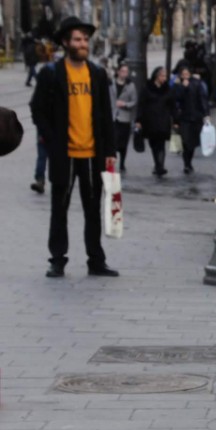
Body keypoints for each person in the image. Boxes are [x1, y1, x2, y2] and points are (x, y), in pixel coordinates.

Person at [29, 16, 118, 278]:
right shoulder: (52, 74)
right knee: (60, 209)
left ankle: (96, 260)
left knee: (93, 211)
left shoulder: (97, 74)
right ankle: (57, 259)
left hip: (93, 154)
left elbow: (105, 114)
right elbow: (37, 110)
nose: (83, 44)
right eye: (78, 39)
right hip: (64, 155)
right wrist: (52, 139)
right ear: (66, 42)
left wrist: (110, 153)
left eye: (85, 39)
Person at [135, 66, 174, 178]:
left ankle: (160, 166)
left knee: (161, 144)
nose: (164, 78)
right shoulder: (147, 88)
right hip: (150, 120)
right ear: (156, 77)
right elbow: (141, 105)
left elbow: (172, 105)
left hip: (163, 120)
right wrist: (139, 120)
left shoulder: (167, 89)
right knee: (153, 144)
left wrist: (176, 119)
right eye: (162, 76)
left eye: (165, 76)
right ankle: (157, 164)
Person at [171, 66, 209, 174]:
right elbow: (175, 98)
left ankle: (189, 162)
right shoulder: (177, 85)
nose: (185, 76)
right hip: (183, 118)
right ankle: (186, 164)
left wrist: (206, 114)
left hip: (195, 117)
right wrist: (183, 87)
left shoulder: (197, 84)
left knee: (192, 143)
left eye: (187, 74)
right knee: (185, 142)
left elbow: (202, 99)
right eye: (183, 74)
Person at [108, 63, 137, 173]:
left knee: (123, 142)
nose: (124, 73)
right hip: (113, 116)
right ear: (118, 72)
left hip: (125, 117)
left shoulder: (130, 85)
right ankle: (113, 161)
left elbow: (134, 101)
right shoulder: (111, 84)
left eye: (126, 71)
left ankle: (122, 163)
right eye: (123, 71)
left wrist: (125, 104)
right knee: (113, 141)